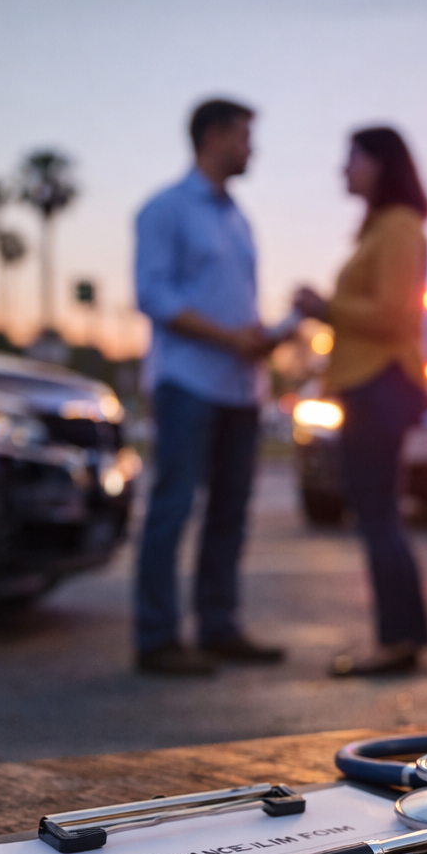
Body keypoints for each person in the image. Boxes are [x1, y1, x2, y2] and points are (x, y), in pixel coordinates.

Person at [132, 98, 286, 675]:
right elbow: (155, 296)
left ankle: (219, 625)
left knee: (230, 511)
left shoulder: (236, 217)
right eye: (246, 136)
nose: (253, 148)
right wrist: (227, 337)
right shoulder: (166, 210)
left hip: (240, 388)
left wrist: (259, 337)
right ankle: (157, 637)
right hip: (188, 383)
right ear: (214, 136)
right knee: (172, 506)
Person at [294, 126, 427, 676]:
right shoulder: (380, 230)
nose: (343, 170)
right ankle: (401, 636)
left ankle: (396, 641)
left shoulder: (399, 229)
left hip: (382, 382)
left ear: (381, 164)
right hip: (370, 383)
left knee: (377, 515)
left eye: (351, 158)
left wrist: (326, 307)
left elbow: (395, 314)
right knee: (378, 514)